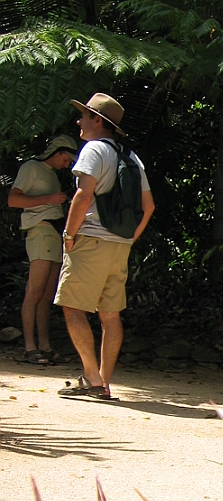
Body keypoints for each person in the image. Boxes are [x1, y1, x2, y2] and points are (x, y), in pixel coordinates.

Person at [55, 93, 155, 400]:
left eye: (84, 116)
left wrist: (69, 235)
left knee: (72, 306)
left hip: (91, 240)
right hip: (119, 246)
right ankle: (103, 381)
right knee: (110, 314)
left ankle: (92, 378)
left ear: (98, 121)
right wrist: (129, 239)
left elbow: (83, 196)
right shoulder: (131, 156)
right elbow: (149, 206)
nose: (79, 121)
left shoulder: (94, 149)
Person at [7, 135, 79, 365]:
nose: (67, 165)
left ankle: (45, 346)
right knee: (34, 291)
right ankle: (30, 347)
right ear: (57, 152)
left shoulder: (52, 175)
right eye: (66, 159)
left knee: (47, 295)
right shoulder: (31, 167)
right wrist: (49, 198)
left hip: (53, 234)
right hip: (39, 231)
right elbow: (13, 200)